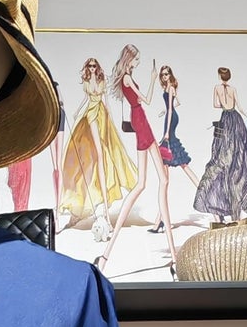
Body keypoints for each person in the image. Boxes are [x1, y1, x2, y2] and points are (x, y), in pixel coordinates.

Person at [97, 45, 177, 269]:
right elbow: (147, 100)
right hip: (140, 120)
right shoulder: (127, 78)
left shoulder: (126, 77)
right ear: (129, 58)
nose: (138, 62)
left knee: (144, 183)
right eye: (136, 59)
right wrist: (152, 79)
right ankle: (173, 254)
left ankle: (106, 255)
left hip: (138, 119)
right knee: (161, 180)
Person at [58, 56, 135, 229]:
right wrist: (77, 111)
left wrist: (111, 119)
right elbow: (87, 99)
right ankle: (100, 207)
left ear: (97, 67)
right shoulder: (87, 81)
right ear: (88, 67)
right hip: (91, 114)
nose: (92, 68)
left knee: (105, 152)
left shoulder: (102, 80)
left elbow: (106, 101)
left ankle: (104, 205)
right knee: (97, 154)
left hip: (101, 114)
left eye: (94, 66)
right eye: (90, 66)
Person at [193, 66, 247, 223]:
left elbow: (216, 104)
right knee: (239, 154)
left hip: (226, 120)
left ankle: (224, 208)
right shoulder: (233, 89)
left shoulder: (217, 88)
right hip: (236, 119)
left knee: (223, 155)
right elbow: (239, 106)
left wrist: (223, 103)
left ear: (219, 76)